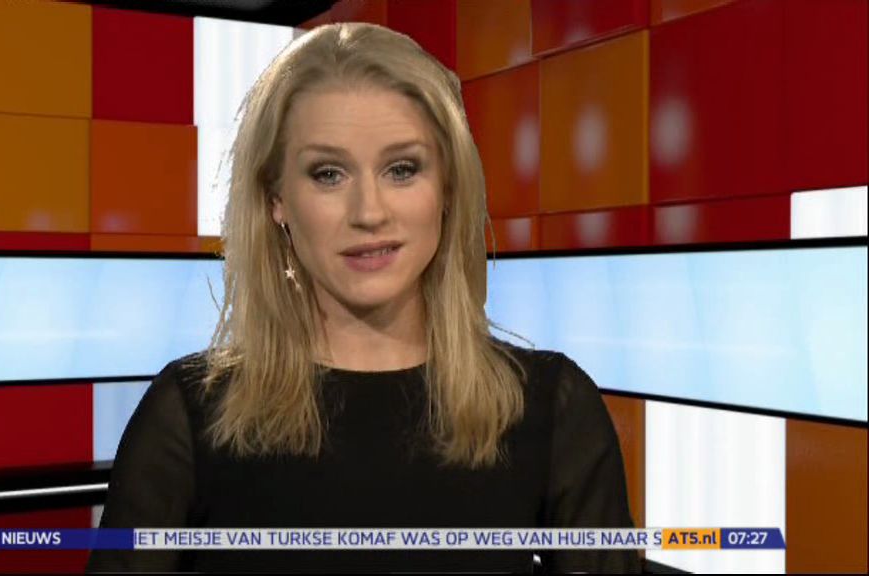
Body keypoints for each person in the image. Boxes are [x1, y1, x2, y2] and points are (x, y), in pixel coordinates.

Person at [87, 22, 641, 573]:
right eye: (328, 174)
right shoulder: (188, 417)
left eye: (402, 169)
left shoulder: (552, 409)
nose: (369, 212)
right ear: (277, 199)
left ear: (447, 187)